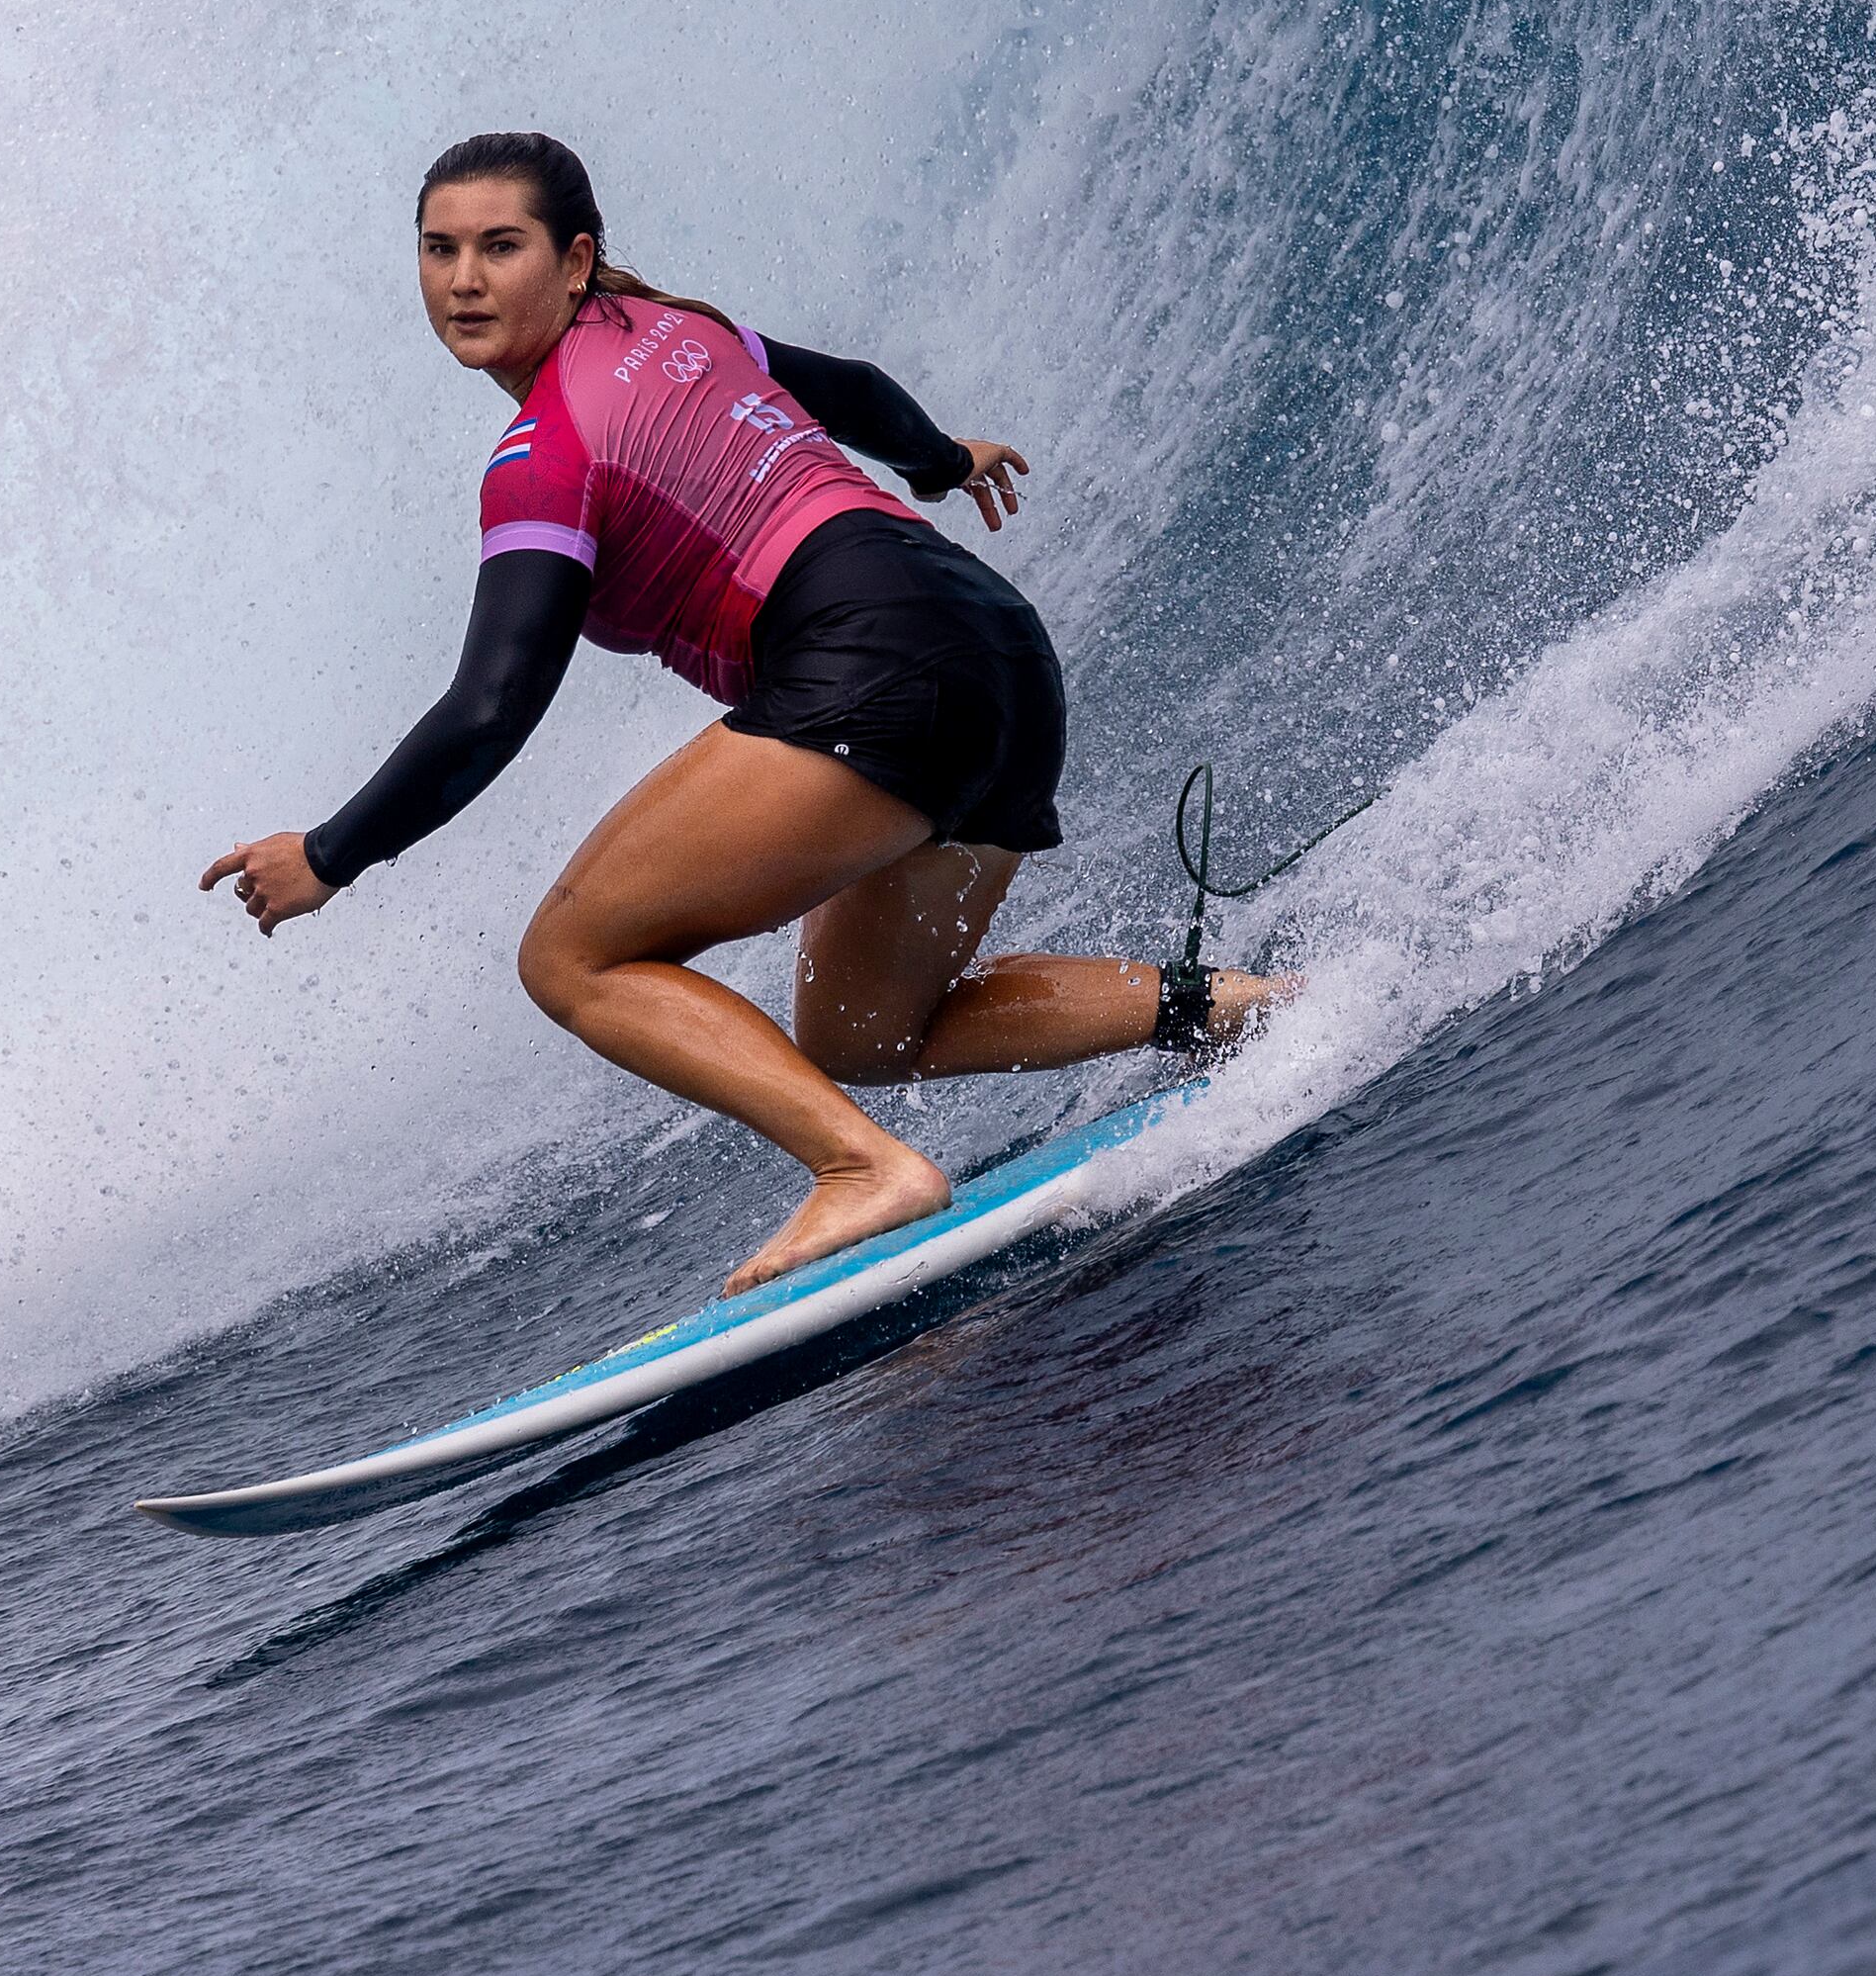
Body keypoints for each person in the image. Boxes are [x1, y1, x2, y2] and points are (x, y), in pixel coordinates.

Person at [204, 132, 1284, 1296]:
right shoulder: (682, 332)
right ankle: (1230, 1009)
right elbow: (853, 389)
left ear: (573, 263)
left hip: (870, 664)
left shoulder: (543, 453)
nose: (463, 279)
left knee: (570, 958)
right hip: (999, 651)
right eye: (439, 250)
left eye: (499, 247)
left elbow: (491, 703)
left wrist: (329, 855)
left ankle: (861, 1172)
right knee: (863, 1034)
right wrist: (936, 463)